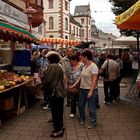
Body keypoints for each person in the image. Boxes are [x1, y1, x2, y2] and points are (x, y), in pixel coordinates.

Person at [72, 50, 99, 129]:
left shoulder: (94, 66)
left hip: (90, 90)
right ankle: (82, 118)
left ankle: (93, 122)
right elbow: (80, 77)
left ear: (86, 57)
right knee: (81, 105)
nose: (81, 58)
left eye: (82, 57)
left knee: (91, 107)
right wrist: (74, 85)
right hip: (82, 89)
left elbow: (94, 80)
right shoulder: (84, 66)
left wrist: (91, 91)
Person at [42, 53, 65, 138]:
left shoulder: (52, 66)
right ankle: (60, 127)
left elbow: (48, 79)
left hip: (56, 92)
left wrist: (43, 87)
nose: (47, 60)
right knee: (59, 111)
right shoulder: (58, 66)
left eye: (48, 59)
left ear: (50, 60)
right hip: (59, 92)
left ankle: (58, 130)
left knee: (56, 112)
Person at [65, 53, 84, 118]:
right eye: (70, 61)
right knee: (72, 99)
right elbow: (67, 76)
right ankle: (73, 112)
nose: (70, 62)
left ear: (75, 60)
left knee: (80, 100)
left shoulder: (82, 66)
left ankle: (81, 113)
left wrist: (76, 85)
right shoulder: (69, 67)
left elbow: (82, 76)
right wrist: (66, 85)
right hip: (71, 86)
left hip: (80, 86)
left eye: (71, 61)